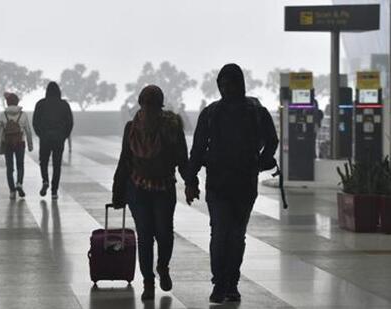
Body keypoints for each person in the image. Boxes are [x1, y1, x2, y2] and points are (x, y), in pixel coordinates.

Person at [185, 64, 278, 304]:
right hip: (225, 185)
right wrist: (191, 179)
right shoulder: (217, 112)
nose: (227, 89)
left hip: (238, 185)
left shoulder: (250, 111)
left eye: (230, 84)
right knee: (224, 235)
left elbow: (272, 141)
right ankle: (222, 284)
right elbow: (197, 150)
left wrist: (261, 161)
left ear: (239, 84)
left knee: (233, 235)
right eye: (223, 85)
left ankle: (229, 284)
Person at [112, 85, 188, 301]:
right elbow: (125, 161)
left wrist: (191, 182)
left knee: (164, 233)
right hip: (138, 188)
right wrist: (118, 191)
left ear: (159, 105)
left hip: (164, 187)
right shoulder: (131, 128)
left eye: (152, 103)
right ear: (140, 103)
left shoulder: (171, 127)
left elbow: (182, 158)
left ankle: (162, 267)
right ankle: (148, 281)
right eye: (145, 103)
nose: (148, 107)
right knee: (145, 236)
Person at [32, 82, 73, 200]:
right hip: (59, 138)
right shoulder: (64, 105)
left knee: (43, 161)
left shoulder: (40, 104)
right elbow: (69, 122)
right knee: (57, 164)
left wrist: (40, 134)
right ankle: (54, 191)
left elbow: (35, 122)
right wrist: (64, 136)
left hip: (45, 138)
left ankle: (45, 180)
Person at [0, 92, 34, 199]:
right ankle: (19, 183)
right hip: (20, 143)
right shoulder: (23, 114)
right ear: (17, 102)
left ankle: (12, 191)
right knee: (20, 165)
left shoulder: (3, 115)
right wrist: (30, 145)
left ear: (7, 102)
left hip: (7, 143)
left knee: (9, 167)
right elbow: (28, 131)